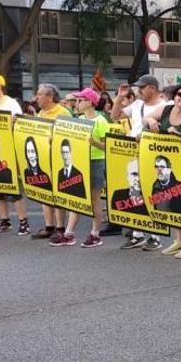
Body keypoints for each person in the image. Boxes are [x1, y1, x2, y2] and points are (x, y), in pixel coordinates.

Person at [111, 77, 171, 251]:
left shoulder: (166, 105)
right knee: (135, 192)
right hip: (133, 152)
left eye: (141, 88)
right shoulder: (137, 105)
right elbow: (115, 116)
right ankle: (137, 234)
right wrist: (120, 97)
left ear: (152, 88)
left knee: (152, 192)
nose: (138, 91)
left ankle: (155, 235)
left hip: (152, 154)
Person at [145, 83, 181, 259]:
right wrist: (151, 121)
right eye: (180, 94)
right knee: (176, 201)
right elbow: (145, 118)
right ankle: (180, 240)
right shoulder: (165, 110)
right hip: (170, 165)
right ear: (174, 95)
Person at [49, 88, 108, 248]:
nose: (77, 103)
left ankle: (95, 234)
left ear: (90, 102)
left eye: (81, 100)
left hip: (95, 161)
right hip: (80, 161)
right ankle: (69, 234)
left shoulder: (101, 121)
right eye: (78, 100)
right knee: (77, 197)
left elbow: (107, 146)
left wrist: (93, 142)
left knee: (95, 199)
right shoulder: (79, 119)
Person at [0, 73, 30, 236]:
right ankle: (4, 221)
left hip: (8, 150)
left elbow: (17, 123)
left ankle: (24, 222)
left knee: (14, 188)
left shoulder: (10, 103)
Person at [30, 83, 68, 240]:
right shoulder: (41, 113)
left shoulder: (63, 112)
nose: (36, 98)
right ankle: (49, 226)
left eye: (39, 94)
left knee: (57, 193)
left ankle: (60, 227)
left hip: (57, 158)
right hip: (42, 158)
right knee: (44, 192)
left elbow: (67, 136)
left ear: (50, 97)